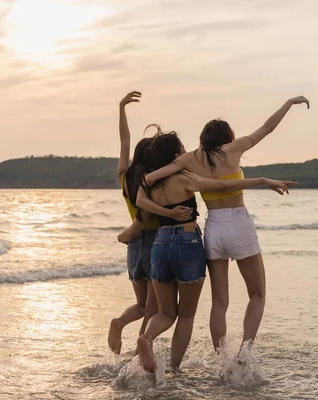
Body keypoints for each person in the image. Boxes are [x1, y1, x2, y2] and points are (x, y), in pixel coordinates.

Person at [143, 96, 310, 351]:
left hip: (215, 229)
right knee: (257, 295)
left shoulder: (190, 159)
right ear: (227, 137)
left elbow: (153, 177)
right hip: (239, 224)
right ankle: (245, 350)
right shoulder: (233, 149)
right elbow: (267, 127)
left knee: (219, 302)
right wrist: (288, 103)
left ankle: (222, 358)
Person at [122, 129, 296, 372]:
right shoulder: (184, 178)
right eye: (182, 149)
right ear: (174, 155)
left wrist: (166, 213)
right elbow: (219, 186)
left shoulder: (147, 181)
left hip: (159, 245)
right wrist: (262, 181)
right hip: (187, 242)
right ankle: (174, 368)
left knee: (165, 312)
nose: (186, 152)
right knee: (186, 316)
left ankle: (147, 338)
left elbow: (140, 203)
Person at [108, 92, 192, 355]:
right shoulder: (155, 180)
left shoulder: (125, 176)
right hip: (156, 241)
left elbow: (124, 139)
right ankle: (140, 351)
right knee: (154, 308)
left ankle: (120, 322)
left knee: (141, 305)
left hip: (133, 245)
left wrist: (121, 108)